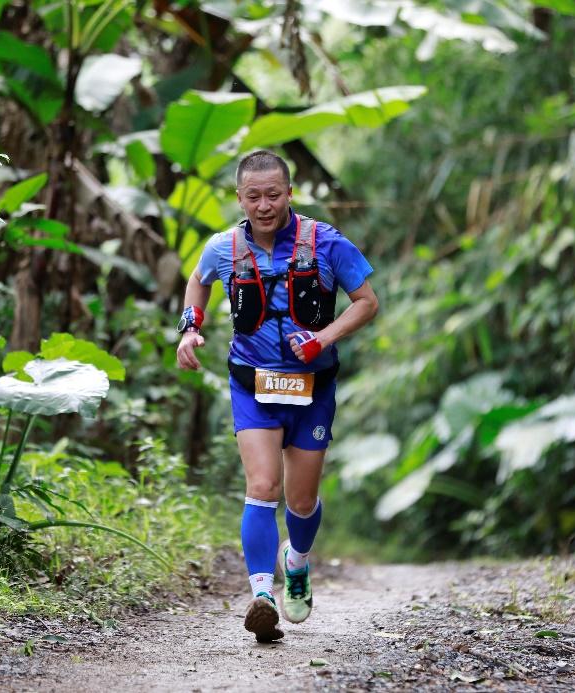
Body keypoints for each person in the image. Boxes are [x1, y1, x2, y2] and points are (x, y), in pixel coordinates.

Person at [175, 150, 379, 642]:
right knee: (263, 486)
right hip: (253, 384)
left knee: (302, 500)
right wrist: (189, 328)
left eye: (273, 194)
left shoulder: (327, 242)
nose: (264, 205)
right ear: (240, 198)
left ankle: (298, 561)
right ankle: (262, 595)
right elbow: (197, 283)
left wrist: (322, 338)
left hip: (313, 387)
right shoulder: (222, 248)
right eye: (253, 196)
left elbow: (367, 303)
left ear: (289, 193)